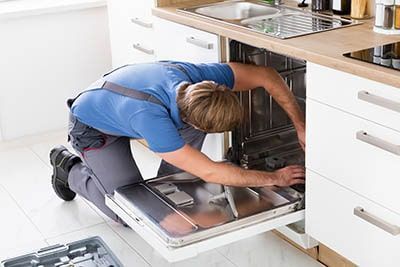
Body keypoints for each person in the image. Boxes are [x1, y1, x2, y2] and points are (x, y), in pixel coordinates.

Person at [49, 61, 305, 223]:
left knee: (171, 189)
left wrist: (300, 126)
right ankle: (68, 168)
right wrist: (275, 178)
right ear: (192, 121)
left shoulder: (201, 80)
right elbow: (211, 171)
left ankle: (170, 186)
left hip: (122, 104)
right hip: (92, 125)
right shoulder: (152, 119)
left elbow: (267, 75)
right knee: (126, 213)